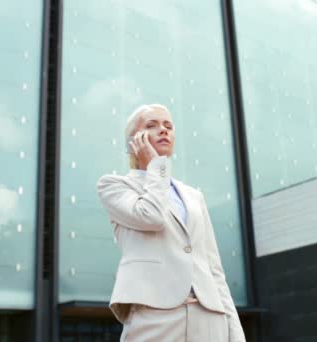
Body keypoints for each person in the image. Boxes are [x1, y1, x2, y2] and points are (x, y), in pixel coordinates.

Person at [96, 104, 246, 341]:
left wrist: (236, 334)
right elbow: (151, 216)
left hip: (209, 317)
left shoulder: (194, 196)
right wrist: (155, 166)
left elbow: (213, 268)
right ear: (133, 141)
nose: (163, 130)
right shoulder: (113, 186)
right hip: (155, 317)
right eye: (151, 126)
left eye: (168, 126)